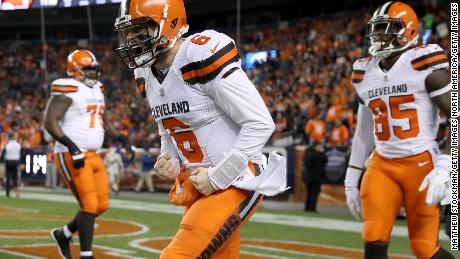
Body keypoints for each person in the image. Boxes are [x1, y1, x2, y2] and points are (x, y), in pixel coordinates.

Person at [114, 0, 287, 257]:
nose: (131, 40)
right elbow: (168, 126)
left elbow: (260, 122)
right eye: (128, 32)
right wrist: (168, 156)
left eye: (140, 31)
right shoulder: (145, 73)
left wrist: (219, 176)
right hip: (199, 185)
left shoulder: (199, 54)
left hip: (237, 180)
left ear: (170, 24)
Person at [344, 2, 453, 258]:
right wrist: (351, 178)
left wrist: (446, 166)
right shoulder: (363, 72)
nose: (379, 35)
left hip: (422, 165)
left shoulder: (424, 64)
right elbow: (363, 130)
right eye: (377, 29)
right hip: (382, 165)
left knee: (424, 248)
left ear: (409, 30)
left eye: (387, 28)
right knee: (373, 236)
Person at [45, 49, 134, 259]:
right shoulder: (67, 88)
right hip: (70, 153)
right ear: (74, 70)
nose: (93, 73)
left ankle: (64, 234)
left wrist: (120, 137)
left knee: (101, 205)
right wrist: (73, 147)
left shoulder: (98, 89)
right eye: (88, 69)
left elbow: (104, 120)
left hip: (93, 154)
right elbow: (50, 122)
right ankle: (86, 255)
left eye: (95, 69)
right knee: (89, 205)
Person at [302, 142, 327, 212]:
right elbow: (325, 159)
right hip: (316, 177)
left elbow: (306, 165)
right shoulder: (318, 155)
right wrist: (322, 152)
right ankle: (312, 208)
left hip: (308, 177)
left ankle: (307, 208)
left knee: (309, 193)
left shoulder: (308, 154)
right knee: (314, 193)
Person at [1, 132, 22, 198]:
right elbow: (21, 154)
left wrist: (3, 161)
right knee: (16, 177)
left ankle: (8, 193)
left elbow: (2, 155)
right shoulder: (18, 144)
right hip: (16, 162)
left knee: (8, 177)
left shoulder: (7, 145)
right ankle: (16, 192)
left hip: (9, 162)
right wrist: (21, 162)